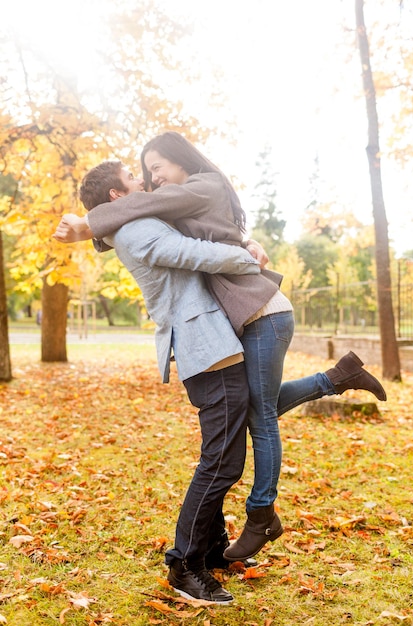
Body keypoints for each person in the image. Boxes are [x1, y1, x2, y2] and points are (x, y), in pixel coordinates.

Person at [54, 142, 387, 564]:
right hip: (235, 322)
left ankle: (260, 513)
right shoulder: (145, 221)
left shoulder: (201, 184)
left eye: (155, 168)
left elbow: (179, 233)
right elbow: (161, 233)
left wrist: (88, 226)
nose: (150, 179)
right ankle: (338, 378)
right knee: (250, 414)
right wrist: (245, 247)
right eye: (140, 174)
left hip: (262, 311)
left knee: (256, 417)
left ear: (179, 159)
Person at [55, 163, 269, 604]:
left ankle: (210, 548)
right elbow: (193, 253)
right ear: (118, 196)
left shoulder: (129, 227)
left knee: (221, 452)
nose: (145, 186)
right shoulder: (135, 230)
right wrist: (248, 258)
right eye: (134, 182)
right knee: (222, 461)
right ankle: (183, 564)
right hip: (205, 346)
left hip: (207, 344)